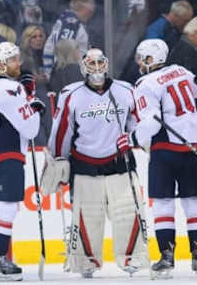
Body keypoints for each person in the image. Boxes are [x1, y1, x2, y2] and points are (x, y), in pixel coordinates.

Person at [47, 48, 148, 278]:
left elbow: (138, 123)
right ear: (83, 67)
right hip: (84, 164)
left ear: (107, 63)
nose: (96, 68)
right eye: (90, 64)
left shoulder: (125, 90)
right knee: (87, 216)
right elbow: (62, 130)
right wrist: (58, 159)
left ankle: (132, 257)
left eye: (99, 62)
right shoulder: (70, 94)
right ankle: (86, 261)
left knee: (128, 213)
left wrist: (136, 141)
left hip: (119, 163)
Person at [122, 38, 197, 278]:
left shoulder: (145, 83)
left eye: (143, 58)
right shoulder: (181, 71)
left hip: (165, 148)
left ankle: (167, 257)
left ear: (151, 59)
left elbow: (151, 123)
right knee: (193, 201)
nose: (140, 63)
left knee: (163, 203)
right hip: (192, 145)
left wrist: (132, 139)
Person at [0, 41, 44, 281]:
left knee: (8, 206)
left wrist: (25, 96)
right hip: (3, 153)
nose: (18, 63)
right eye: (13, 60)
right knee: (6, 206)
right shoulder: (9, 90)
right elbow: (32, 129)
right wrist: (32, 100)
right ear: (1, 64)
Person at [42, 0, 95, 76]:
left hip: (65, 75)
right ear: (81, 8)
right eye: (90, 11)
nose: (91, 15)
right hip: (67, 77)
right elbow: (63, 52)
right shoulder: (71, 23)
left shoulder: (66, 20)